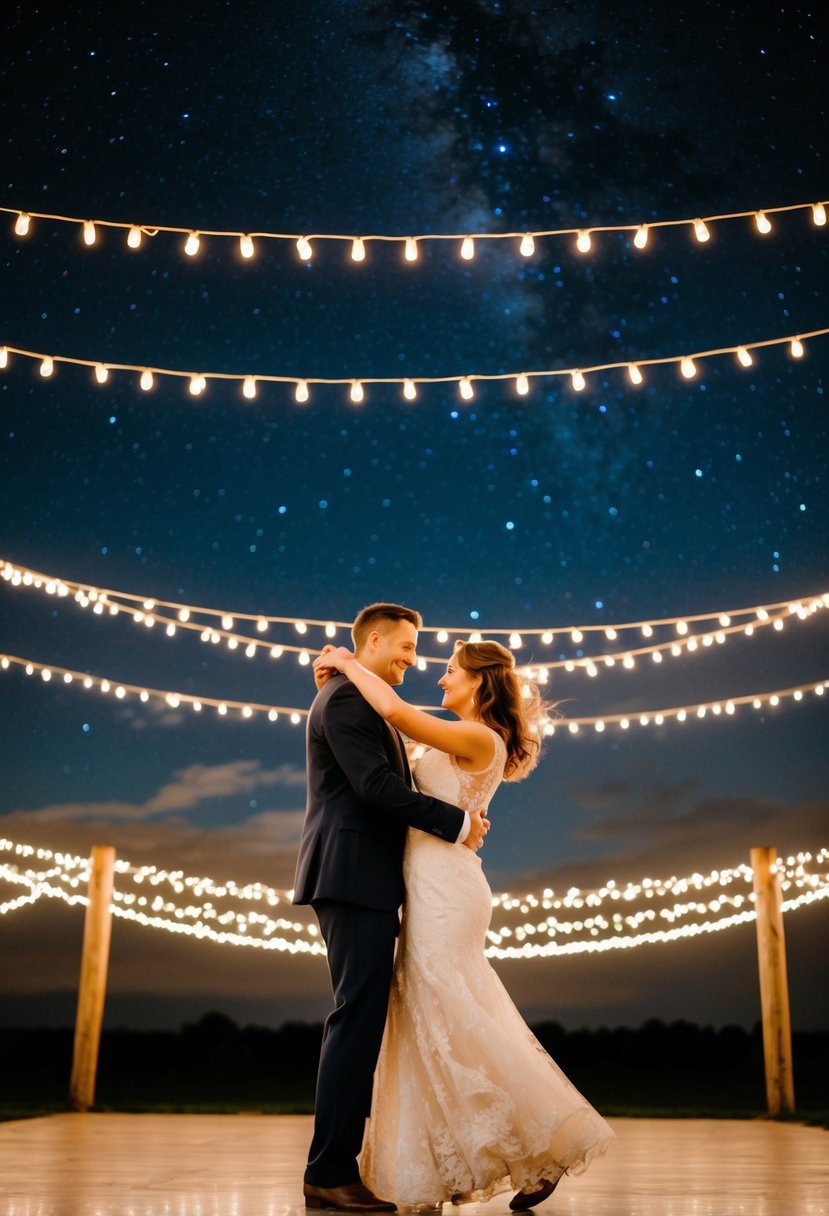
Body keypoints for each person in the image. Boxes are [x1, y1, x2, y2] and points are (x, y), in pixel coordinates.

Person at [314, 637, 614, 1210]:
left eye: (451, 670)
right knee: (434, 1020)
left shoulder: (480, 736)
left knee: (455, 1014)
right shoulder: (453, 738)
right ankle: (469, 1154)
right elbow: (382, 740)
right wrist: (335, 688)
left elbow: (396, 713)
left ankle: (545, 1139)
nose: (440, 678)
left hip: (447, 891)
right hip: (426, 885)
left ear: (479, 681)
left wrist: (350, 663)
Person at [293, 603, 490, 1213]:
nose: (412, 658)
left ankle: (339, 1165)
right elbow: (376, 789)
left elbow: (397, 744)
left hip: (365, 879)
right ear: (372, 641)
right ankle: (329, 1170)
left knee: (361, 1018)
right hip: (352, 876)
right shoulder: (349, 701)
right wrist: (459, 824)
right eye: (404, 647)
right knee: (356, 1019)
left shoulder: (360, 697)